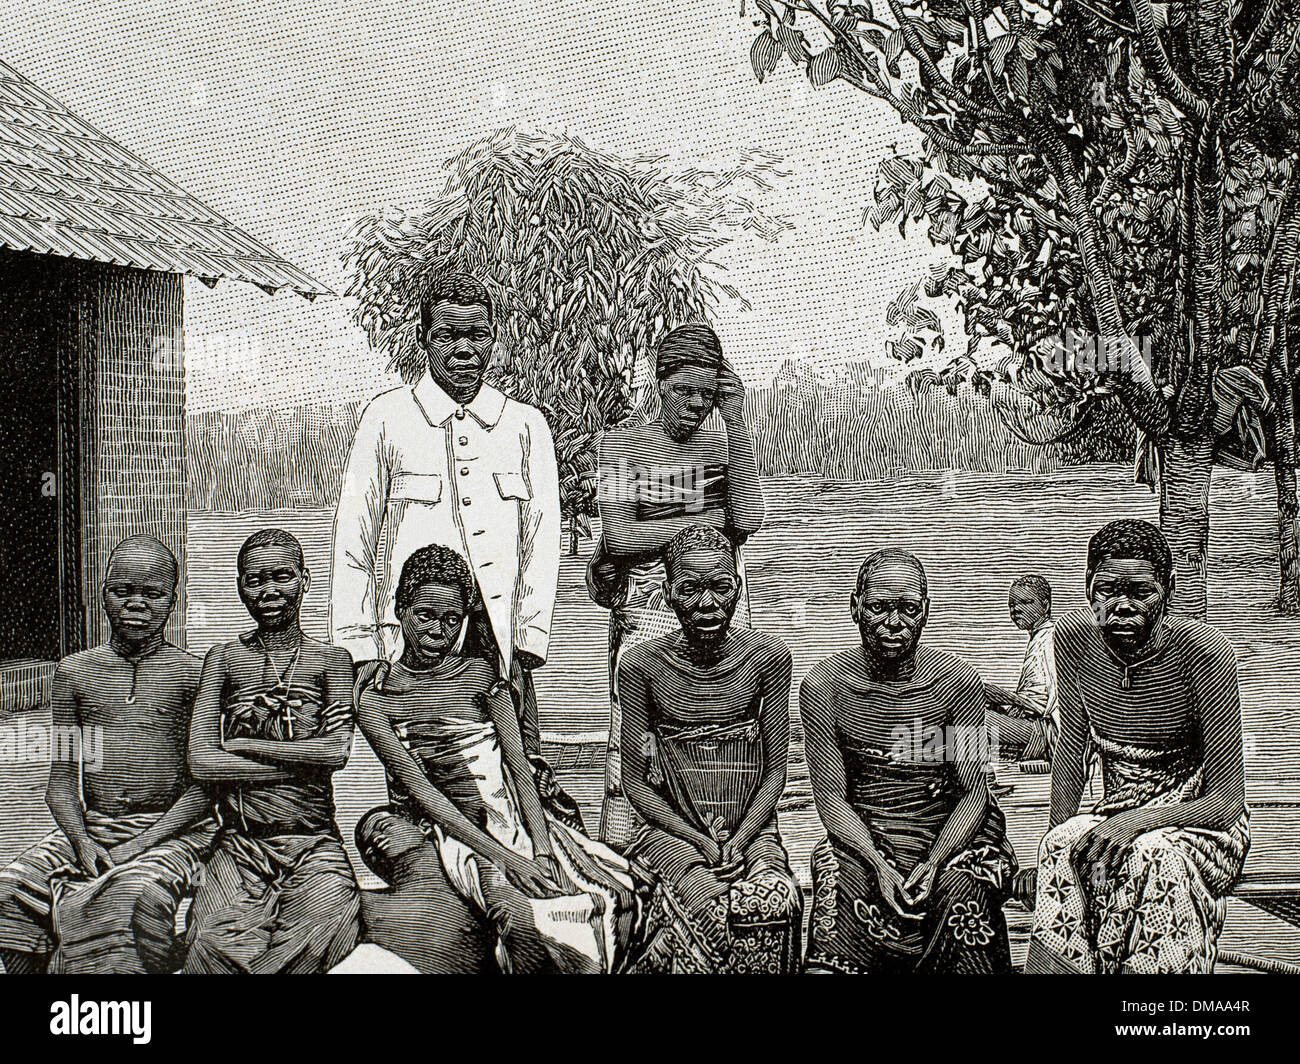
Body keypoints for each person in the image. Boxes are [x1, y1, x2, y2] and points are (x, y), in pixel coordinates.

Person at [330, 269, 578, 828]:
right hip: (412, 642)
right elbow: (355, 537)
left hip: (498, 640)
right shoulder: (386, 419)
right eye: (447, 335)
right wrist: (360, 645)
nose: (463, 350)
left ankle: (538, 877)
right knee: (418, 781)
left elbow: (543, 538)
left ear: (495, 337)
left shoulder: (525, 426)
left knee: (523, 773)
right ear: (424, 338)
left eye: (477, 335)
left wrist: (529, 637)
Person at [353, 544, 636, 974]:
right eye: (424, 615)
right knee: (515, 913)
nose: (437, 631)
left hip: (517, 822)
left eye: (451, 620)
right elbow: (424, 793)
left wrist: (540, 847)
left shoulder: (483, 674)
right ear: (398, 608)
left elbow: (518, 766)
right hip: (457, 833)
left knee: (615, 895)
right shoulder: (376, 697)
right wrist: (506, 860)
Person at [1026, 520, 1249, 975]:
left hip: (1200, 823)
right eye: (1108, 589)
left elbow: (1226, 803)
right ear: (1089, 593)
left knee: (1155, 854)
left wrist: (1133, 824)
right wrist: (1052, 846)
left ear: (1165, 593)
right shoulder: (1072, 642)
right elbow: (1071, 752)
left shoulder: (1204, 653)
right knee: (1060, 847)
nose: (1122, 605)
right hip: (1116, 810)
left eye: (1139, 591)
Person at [0, 536, 214, 974]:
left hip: (176, 832)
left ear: (173, 601)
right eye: (123, 591)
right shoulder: (74, 673)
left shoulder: (195, 674)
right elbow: (60, 782)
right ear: (102, 595)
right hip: (94, 829)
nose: (137, 604)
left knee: (125, 896)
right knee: (8, 891)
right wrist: (81, 840)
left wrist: (138, 844)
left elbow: (203, 789)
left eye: (153, 594)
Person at [589, 322, 764, 850]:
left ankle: (735, 837)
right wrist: (704, 514)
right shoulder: (623, 444)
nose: (695, 404)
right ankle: (627, 847)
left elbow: (750, 515)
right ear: (658, 383)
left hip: (716, 587)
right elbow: (620, 537)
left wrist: (735, 421)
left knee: (732, 708)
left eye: (708, 394)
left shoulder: (722, 438)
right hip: (651, 598)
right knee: (640, 723)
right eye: (684, 391)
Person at [802, 549, 1016, 974]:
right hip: (868, 831)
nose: (894, 623)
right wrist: (880, 866)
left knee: (962, 892)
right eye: (879, 607)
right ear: (855, 607)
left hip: (952, 830)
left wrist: (935, 862)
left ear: (926, 612)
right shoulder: (824, 687)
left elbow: (974, 793)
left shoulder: (956, 681)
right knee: (839, 880)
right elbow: (831, 801)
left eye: (908, 609)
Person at [618, 526, 800, 974]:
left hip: (751, 830)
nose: (707, 603)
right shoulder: (641, 664)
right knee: (714, 914)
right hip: (672, 833)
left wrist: (739, 840)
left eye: (721, 587)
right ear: (667, 593)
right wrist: (699, 841)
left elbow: (776, 773)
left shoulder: (768, 655)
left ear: (737, 585)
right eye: (690, 589)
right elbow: (635, 784)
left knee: (774, 900)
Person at [183, 529, 361, 974]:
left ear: (304, 579)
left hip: (314, 841)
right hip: (240, 844)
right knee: (209, 944)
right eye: (254, 580)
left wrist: (243, 745)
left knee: (321, 929)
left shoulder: (332, 660)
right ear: (240, 586)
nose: (268, 591)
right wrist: (299, 760)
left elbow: (337, 751)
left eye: (281, 576)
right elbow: (202, 759)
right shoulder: (222, 658)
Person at [328, 808, 493, 974]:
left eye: (382, 826)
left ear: (423, 826)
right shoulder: (366, 905)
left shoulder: (470, 870)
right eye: (368, 851)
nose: (375, 839)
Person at [983, 575, 1056, 795]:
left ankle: (983, 784)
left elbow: (1047, 706)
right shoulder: (1039, 639)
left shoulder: (1051, 639)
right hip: (1033, 726)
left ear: (1045, 606)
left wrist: (1003, 696)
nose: (1015, 610)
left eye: (1025, 603)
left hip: (1045, 732)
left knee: (969, 713)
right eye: (1012, 605)